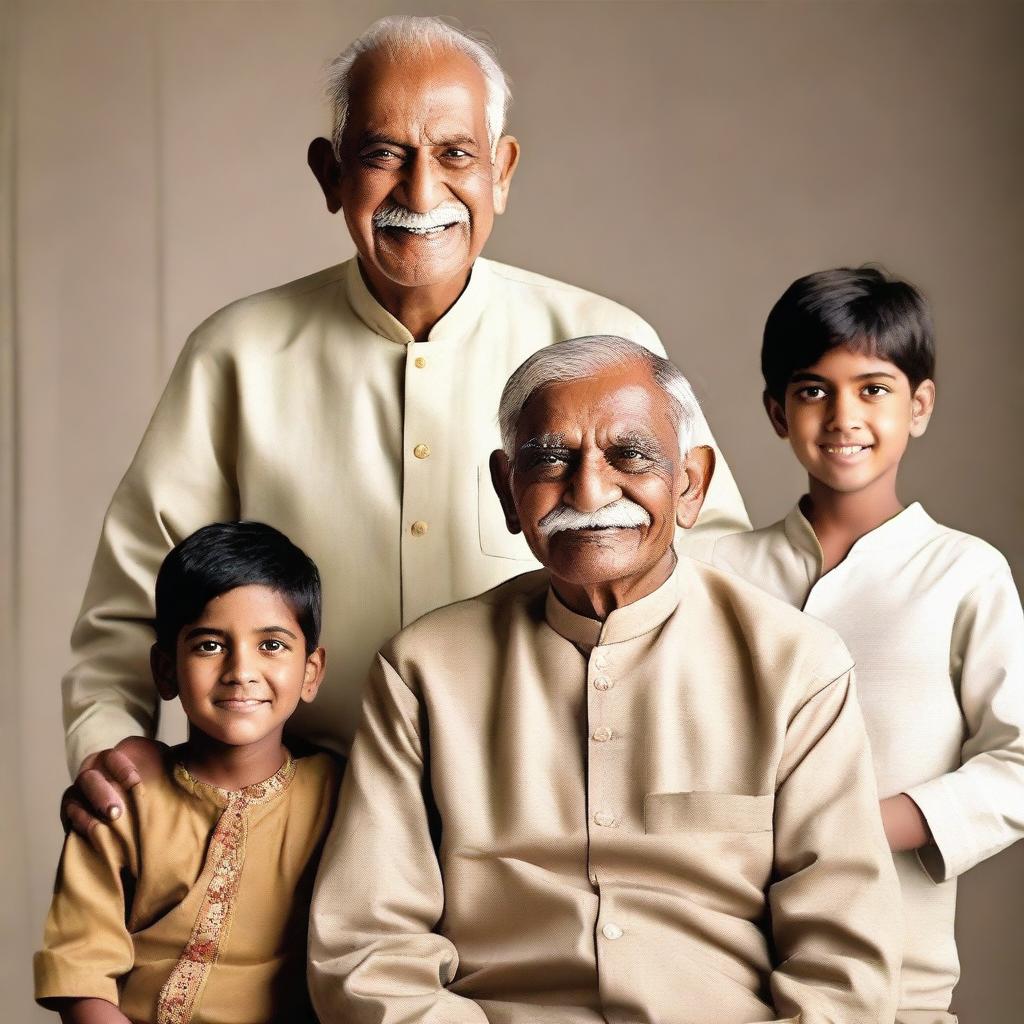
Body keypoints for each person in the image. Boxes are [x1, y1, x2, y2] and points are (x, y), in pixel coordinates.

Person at [61, 14, 748, 832]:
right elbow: (138, 594)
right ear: (330, 176)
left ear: (503, 169)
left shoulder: (605, 342)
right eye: (383, 154)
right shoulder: (237, 353)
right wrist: (111, 740)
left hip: (559, 823)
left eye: (456, 154)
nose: (421, 194)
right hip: (305, 823)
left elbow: (715, 572)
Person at [308, 335, 901, 1024]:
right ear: (509, 490)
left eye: (631, 455)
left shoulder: (796, 667)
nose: (588, 490)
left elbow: (844, 966)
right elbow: (367, 948)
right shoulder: (423, 670)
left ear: (691, 484)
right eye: (550, 458)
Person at [711, 267, 1024, 1023]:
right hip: (716, 976)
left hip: (897, 988)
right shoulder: (709, 571)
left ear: (919, 406)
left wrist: (854, 824)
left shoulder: (964, 573)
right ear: (777, 412)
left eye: (873, 388)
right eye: (814, 390)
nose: (843, 414)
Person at [35, 522, 338, 1024]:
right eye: (209, 645)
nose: (241, 670)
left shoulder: (341, 798)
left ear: (311, 672)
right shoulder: (124, 797)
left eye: (272, 646)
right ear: (166, 671)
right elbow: (80, 970)